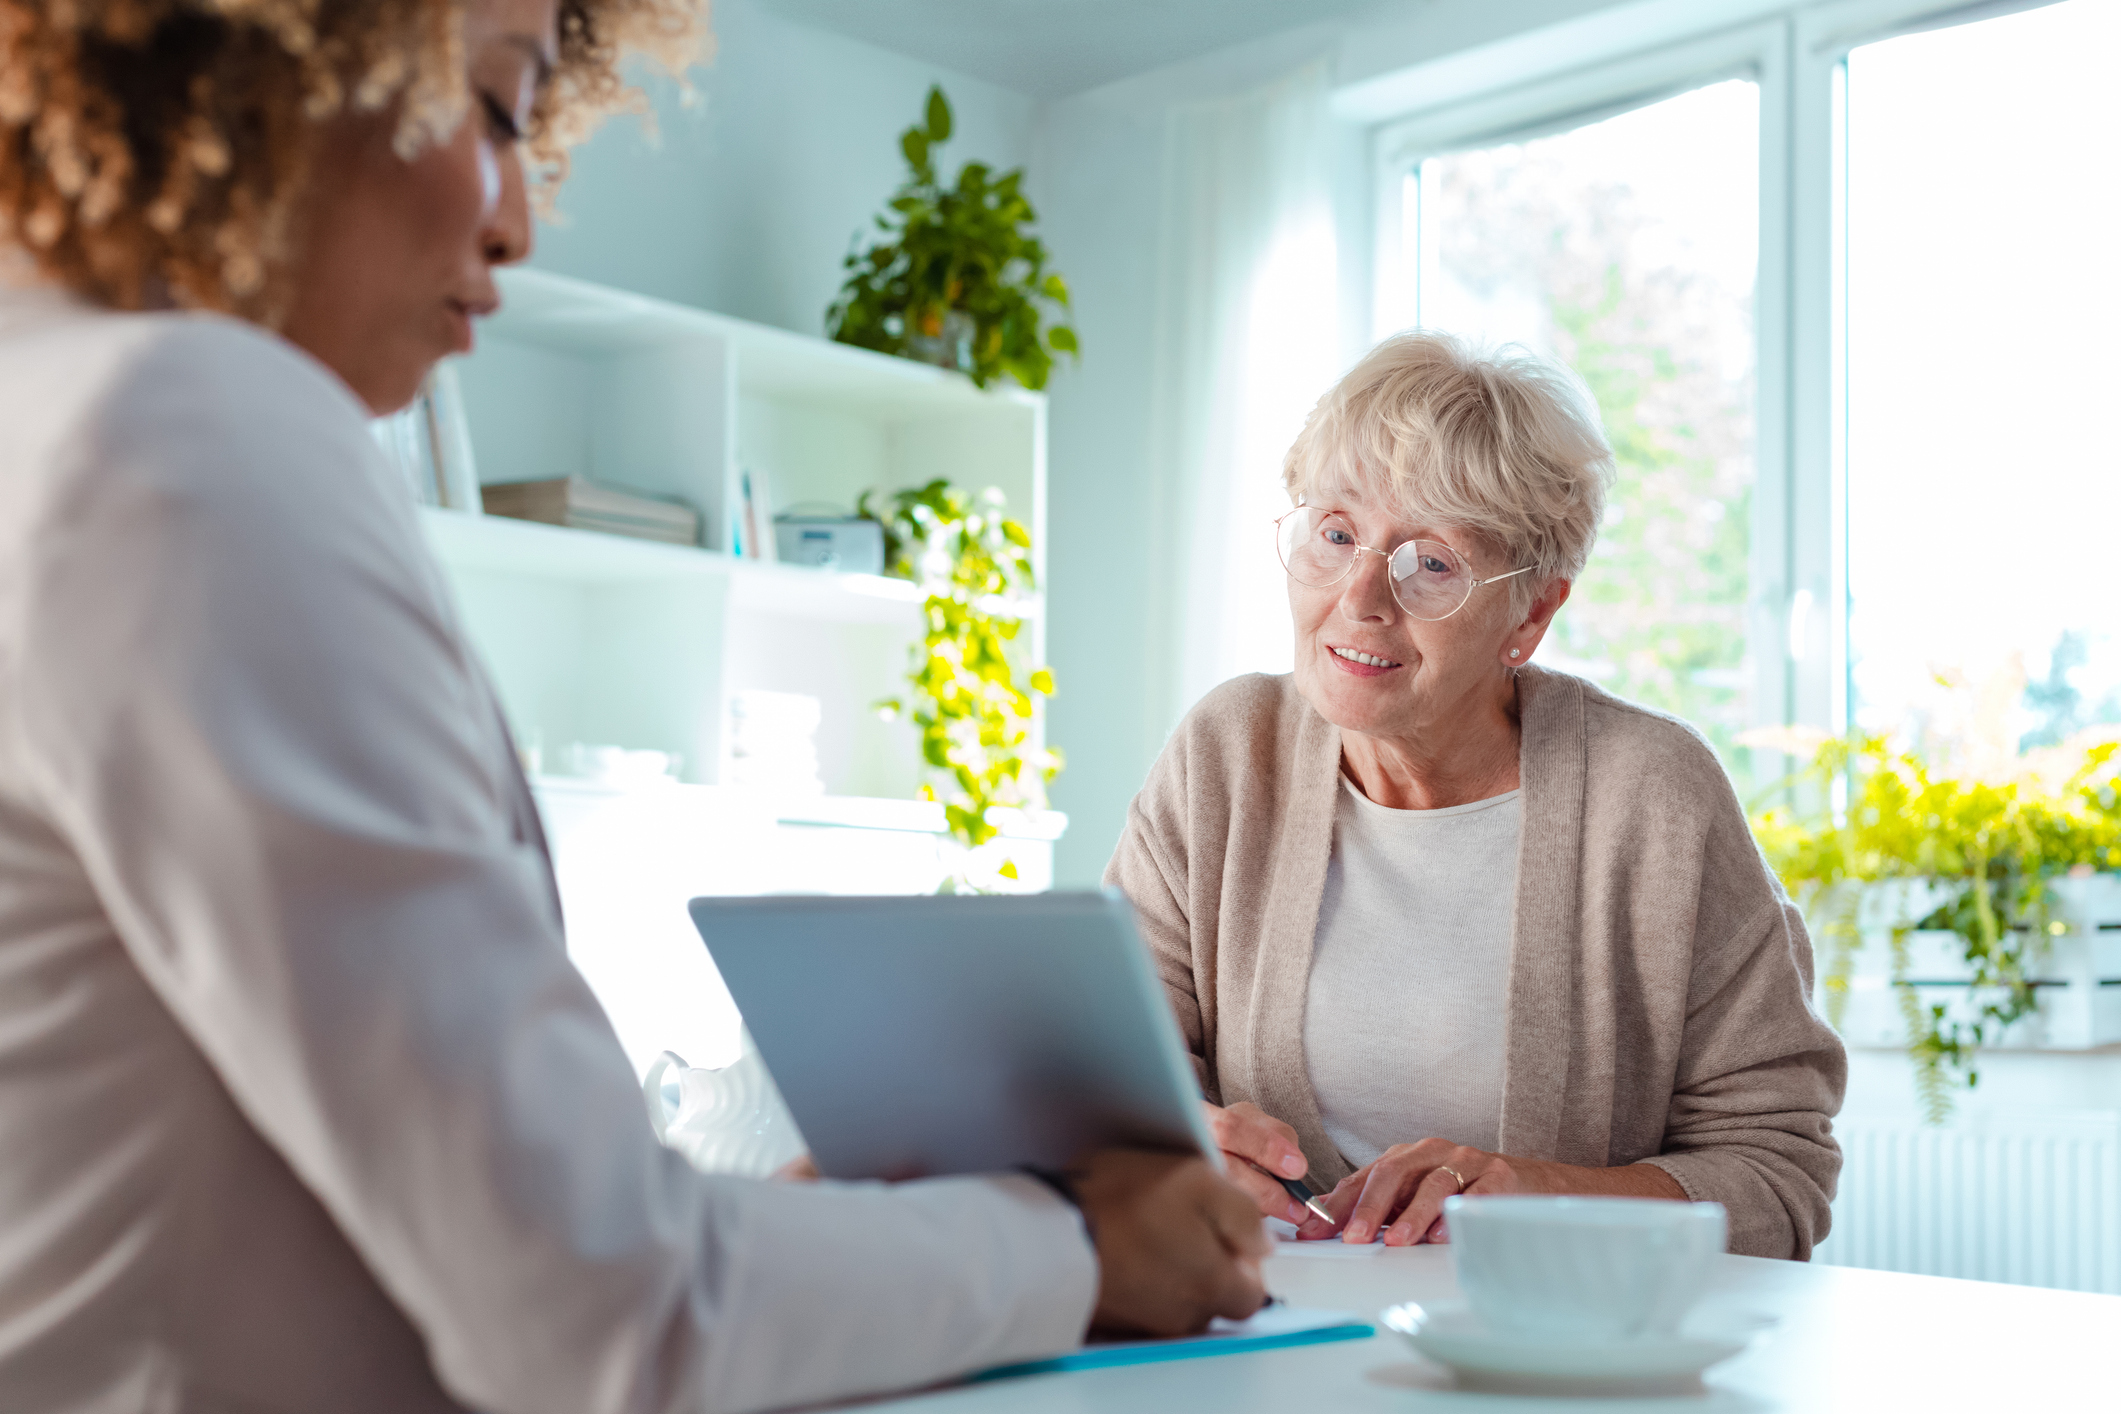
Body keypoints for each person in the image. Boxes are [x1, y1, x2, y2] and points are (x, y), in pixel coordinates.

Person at [0, 2, 1267, 1411]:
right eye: (494, 107)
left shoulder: (56, 413)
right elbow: (595, 1310)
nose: (516, 225)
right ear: (271, 56)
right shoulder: (186, 434)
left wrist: (838, 1238)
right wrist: (1075, 1247)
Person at [1106, 332, 1846, 1261]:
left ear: (1530, 613)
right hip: (1269, 1333)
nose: (1362, 596)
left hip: (1548, 1362)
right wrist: (1171, 1149)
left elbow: (1777, 1174)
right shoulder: (1225, 753)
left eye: (1434, 564)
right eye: (1336, 535)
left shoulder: (1654, 798)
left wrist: (1541, 1193)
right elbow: (1098, 1078)